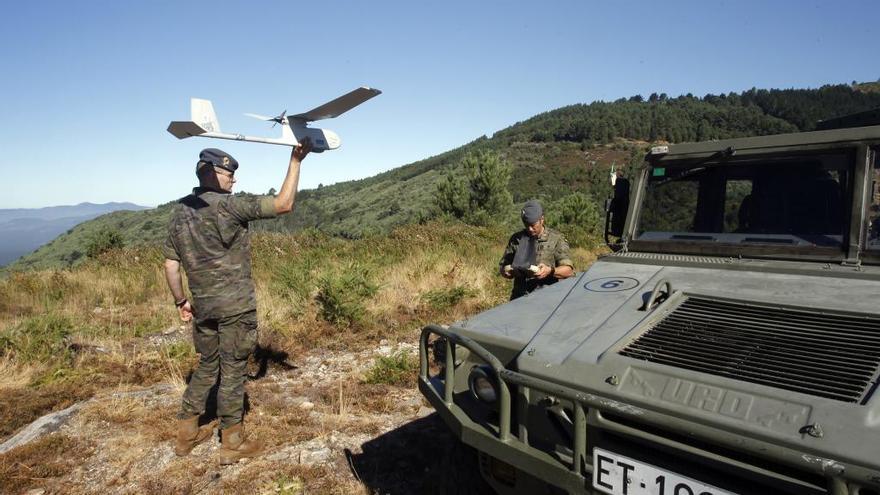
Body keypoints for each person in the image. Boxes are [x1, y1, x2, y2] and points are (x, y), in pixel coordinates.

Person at [163, 140, 311, 463]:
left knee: (206, 365)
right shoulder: (230, 207)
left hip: (203, 307)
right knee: (232, 370)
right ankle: (232, 442)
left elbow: (171, 266)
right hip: (235, 307)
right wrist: (296, 161)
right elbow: (284, 204)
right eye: (230, 175)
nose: (234, 181)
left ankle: (185, 435)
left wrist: (180, 301)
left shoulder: (178, 214)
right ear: (215, 175)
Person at [499, 199, 574, 300]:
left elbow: (568, 271)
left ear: (542, 219)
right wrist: (508, 272)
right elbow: (504, 268)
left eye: (533, 225)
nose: (530, 229)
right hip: (519, 298)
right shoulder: (516, 239)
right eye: (526, 225)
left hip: (547, 297)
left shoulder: (556, 239)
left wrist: (550, 271)